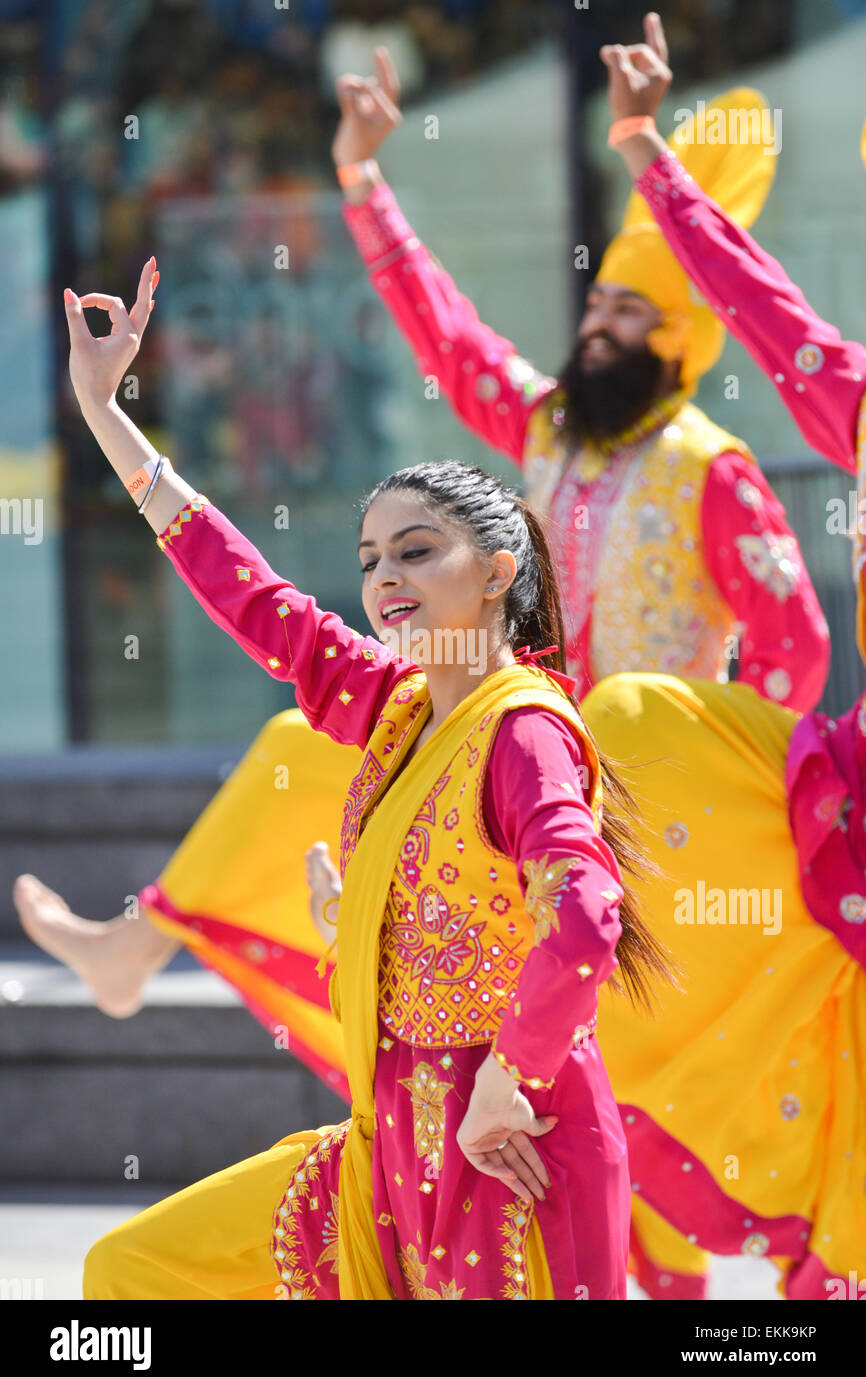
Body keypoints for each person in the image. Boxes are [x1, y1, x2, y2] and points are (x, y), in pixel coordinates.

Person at [49, 259, 672, 1300]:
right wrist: (108, 417)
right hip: (386, 1152)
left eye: (416, 552)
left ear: (496, 571)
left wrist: (506, 1083)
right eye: (372, 556)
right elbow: (254, 597)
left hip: (507, 1156)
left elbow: (586, 912)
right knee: (134, 1268)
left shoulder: (520, 731)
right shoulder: (399, 707)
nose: (383, 577)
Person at [576, 12, 866, 1301]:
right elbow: (763, 304)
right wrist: (648, 154)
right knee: (630, 723)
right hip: (835, 808)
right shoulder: (855, 405)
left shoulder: (717, 466)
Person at [331, 46, 829, 709]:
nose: (596, 325)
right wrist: (360, 177)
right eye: (595, 304)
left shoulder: (711, 469)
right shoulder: (552, 427)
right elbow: (450, 339)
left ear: (678, 341)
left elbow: (793, 646)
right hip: (546, 761)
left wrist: (727, 770)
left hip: (663, 794)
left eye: (626, 311)